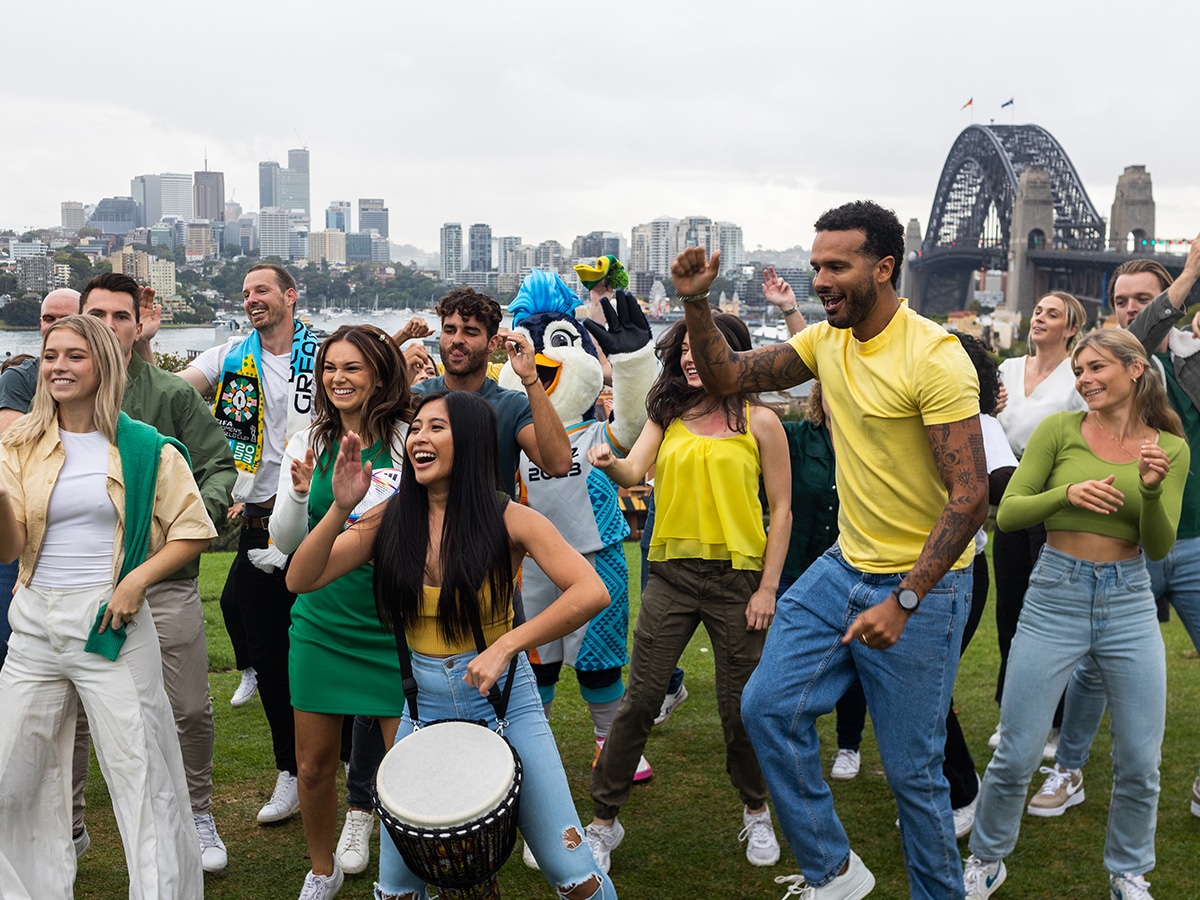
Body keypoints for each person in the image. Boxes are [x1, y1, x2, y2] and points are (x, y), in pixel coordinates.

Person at [676, 200, 987, 899]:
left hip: (922, 587)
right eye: (816, 265)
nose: (820, 279)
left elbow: (970, 498)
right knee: (767, 709)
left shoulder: (935, 358)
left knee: (913, 772)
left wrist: (905, 599)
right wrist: (696, 302)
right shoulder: (825, 342)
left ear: (883, 267)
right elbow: (727, 375)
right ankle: (835, 872)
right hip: (845, 565)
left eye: (837, 266)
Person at [286, 389, 617, 900]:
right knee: (397, 888)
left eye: (435, 427)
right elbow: (300, 578)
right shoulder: (389, 519)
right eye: (415, 428)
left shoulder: (509, 518)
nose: (418, 436)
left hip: (508, 705)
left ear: (470, 440)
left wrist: (507, 645)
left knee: (574, 873)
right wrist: (340, 510)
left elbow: (591, 590)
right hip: (422, 711)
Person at [963, 328, 1189, 900]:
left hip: (1129, 598)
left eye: (1095, 369)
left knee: (1140, 760)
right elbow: (1009, 513)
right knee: (1016, 752)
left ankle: (1128, 872)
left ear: (1135, 370)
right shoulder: (1059, 430)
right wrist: (1067, 496)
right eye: (1079, 371)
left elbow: (1159, 547)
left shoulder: (1169, 446)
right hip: (1055, 594)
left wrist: (1155, 490)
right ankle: (986, 859)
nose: (1084, 379)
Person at [0, 315, 216, 898]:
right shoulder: (17, 445)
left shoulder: (142, 446)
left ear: (104, 364)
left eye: (75, 356)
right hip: (34, 628)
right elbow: (10, 546)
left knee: (142, 781)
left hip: (111, 625)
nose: (59, 367)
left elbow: (194, 531)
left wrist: (135, 582)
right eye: (50, 356)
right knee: (8, 776)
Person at [585, 311, 790, 873]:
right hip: (672, 576)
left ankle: (755, 810)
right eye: (686, 350)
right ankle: (604, 821)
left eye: (708, 348)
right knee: (639, 702)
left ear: (737, 355)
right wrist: (611, 465)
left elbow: (782, 510)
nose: (693, 358)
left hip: (738, 583)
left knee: (740, 710)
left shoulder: (761, 422)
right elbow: (634, 472)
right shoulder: (668, 413)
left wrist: (767, 589)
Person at [1034, 236, 1200, 822]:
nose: (1131, 310)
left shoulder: (1189, 357)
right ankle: (1069, 769)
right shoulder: (1115, 365)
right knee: (1092, 669)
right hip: (1125, 547)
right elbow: (1140, 341)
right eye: (1122, 300)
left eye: (1143, 300)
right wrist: (1185, 280)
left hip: (1196, 541)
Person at [78, 272, 237, 871]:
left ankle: (198, 809)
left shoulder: (170, 394)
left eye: (122, 316)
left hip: (162, 578)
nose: (111, 327)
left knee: (188, 706)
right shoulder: (59, 396)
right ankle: (70, 823)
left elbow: (219, 465)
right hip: (80, 579)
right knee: (75, 713)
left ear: (138, 323)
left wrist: (194, 522)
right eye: (99, 314)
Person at [496, 268, 660, 834]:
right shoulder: (509, 431)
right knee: (535, 665)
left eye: (559, 343)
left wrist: (636, 359)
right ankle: (527, 748)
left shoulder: (595, 436)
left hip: (597, 558)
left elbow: (636, 423)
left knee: (600, 664)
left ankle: (608, 744)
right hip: (531, 567)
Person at [268, 324, 412, 897]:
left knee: (405, 768)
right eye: (330, 367)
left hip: (394, 626)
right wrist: (302, 493)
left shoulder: (407, 437)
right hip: (321, 622)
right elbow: (285, 543)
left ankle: (407, 875)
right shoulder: (308, 442)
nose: (338, 379)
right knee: (312, 766)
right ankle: (322, 869)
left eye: (352, 368)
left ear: (379, 373)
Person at [181, 262, 318, 825]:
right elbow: (174, 389)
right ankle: (290, 769)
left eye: (262, 290)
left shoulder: (328, 354)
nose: (251, 300)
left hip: (327, 513)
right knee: (268, 652)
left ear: (290, 295)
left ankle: (360, 772)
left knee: (337, 640)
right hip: (260, 519)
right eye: (245, 293)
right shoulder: (228, 358)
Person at [991, 291, 1088, 756]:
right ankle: (1011, 712)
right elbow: (989, 424)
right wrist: (988, 405)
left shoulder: (1078, 375)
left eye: (1053, 314)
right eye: (1038, 312)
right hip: (1010, 498)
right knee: (1009, 609)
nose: (1040, 319)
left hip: (1055, 503)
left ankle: (1054, 723)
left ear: (1071, 328)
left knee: (1048, 614)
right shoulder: (1007, 369)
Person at [413, 286, 571, 496]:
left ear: (492, 343)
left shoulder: (512, 406)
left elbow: (559, 464)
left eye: (470, 332)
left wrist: (531, 378)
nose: (457, 339)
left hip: (490, 525)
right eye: (450, 330)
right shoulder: (416, 398)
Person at [0, 288, 81, 672]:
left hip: (71, 534)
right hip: (20, 523)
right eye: (48, 319)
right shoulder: (20, 377)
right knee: (12, 640)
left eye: (65, 318)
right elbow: (14, 447)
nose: (55, 326)